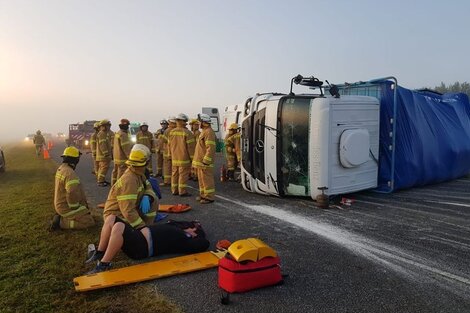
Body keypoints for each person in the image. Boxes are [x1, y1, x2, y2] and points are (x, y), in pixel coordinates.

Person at [85, 215, 210, 273]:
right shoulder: (178, 228)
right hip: (138, 236)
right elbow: (173, 222)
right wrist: (186, 227)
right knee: (111, 218)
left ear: (196, 234)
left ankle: (104, 264)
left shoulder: (185, 242)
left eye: (195, 229)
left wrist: (196, 234)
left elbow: (204, 244)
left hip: (142, 248)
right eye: (192, 227)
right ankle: (100, 253)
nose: (192, 228)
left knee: (118, 226)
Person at [103, 144, 158, 228]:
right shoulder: (129, 180)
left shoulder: (138, 174)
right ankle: (145, 229)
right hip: (118, 218)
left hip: (125, 212)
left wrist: (147, 196)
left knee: (154, 199)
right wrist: (142, 227)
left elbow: (148, 186)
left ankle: (149, 226)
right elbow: (128, 211)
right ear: (146, 162)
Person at [50, 146, 96, 230]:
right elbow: (71, 192)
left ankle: (62, 217)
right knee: (89, 221)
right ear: (74, 160)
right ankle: (61, 223)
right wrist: (75, 207)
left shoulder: (62, 169)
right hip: (67, 207)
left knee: (88, 213)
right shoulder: (70, 174)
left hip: (61, 205)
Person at [168, 113, 195, 196]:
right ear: (183, 122)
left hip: (174, 158)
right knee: (183, 175)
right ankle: (182, 191)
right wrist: (193, 158)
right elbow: (190, 148)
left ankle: (174, 190)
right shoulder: (187, 133)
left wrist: (169, 155)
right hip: (184, 158)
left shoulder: (171, 132)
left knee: (174, 174)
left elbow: (169, 145)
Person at [192, 113, 216, 204]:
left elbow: (211, 147)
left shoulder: (209, 132)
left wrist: (206, 160)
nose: (199, 124)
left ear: (204, 122)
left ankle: (209, 197)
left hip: (205, 162)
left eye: (200, 122)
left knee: (207, 180)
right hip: (200, 162)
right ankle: (203, 195)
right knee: (202, 180)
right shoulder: (204, 131)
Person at [112, 118, 132, 185]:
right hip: (122, 158)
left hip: (116, 156)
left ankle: (114, 184)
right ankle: (119, 186)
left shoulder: (118, 133)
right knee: (121, 172)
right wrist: (130, 157)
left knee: (115, 171)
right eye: (128, 126)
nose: (128, 127)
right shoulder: (123, 135)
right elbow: (126, 147)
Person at [160, 116, 177, 186]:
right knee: (174, 168)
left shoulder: (167, 131)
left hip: (167, 151)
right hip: (175, 151)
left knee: (167, 167)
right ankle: (174, 181)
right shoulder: (177, 130)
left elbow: (164, 140)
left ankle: (167, 181)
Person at [96, 119, 112, 186]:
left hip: (102, 155)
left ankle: (101, 180)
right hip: (103, 156)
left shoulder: (103, 133)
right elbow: (102, 144)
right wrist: (106, 153)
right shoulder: (102, 134)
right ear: (103, 126)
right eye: (108, 126)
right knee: (104, 168)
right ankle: (100, 181)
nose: (109, 127)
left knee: (101, 168)